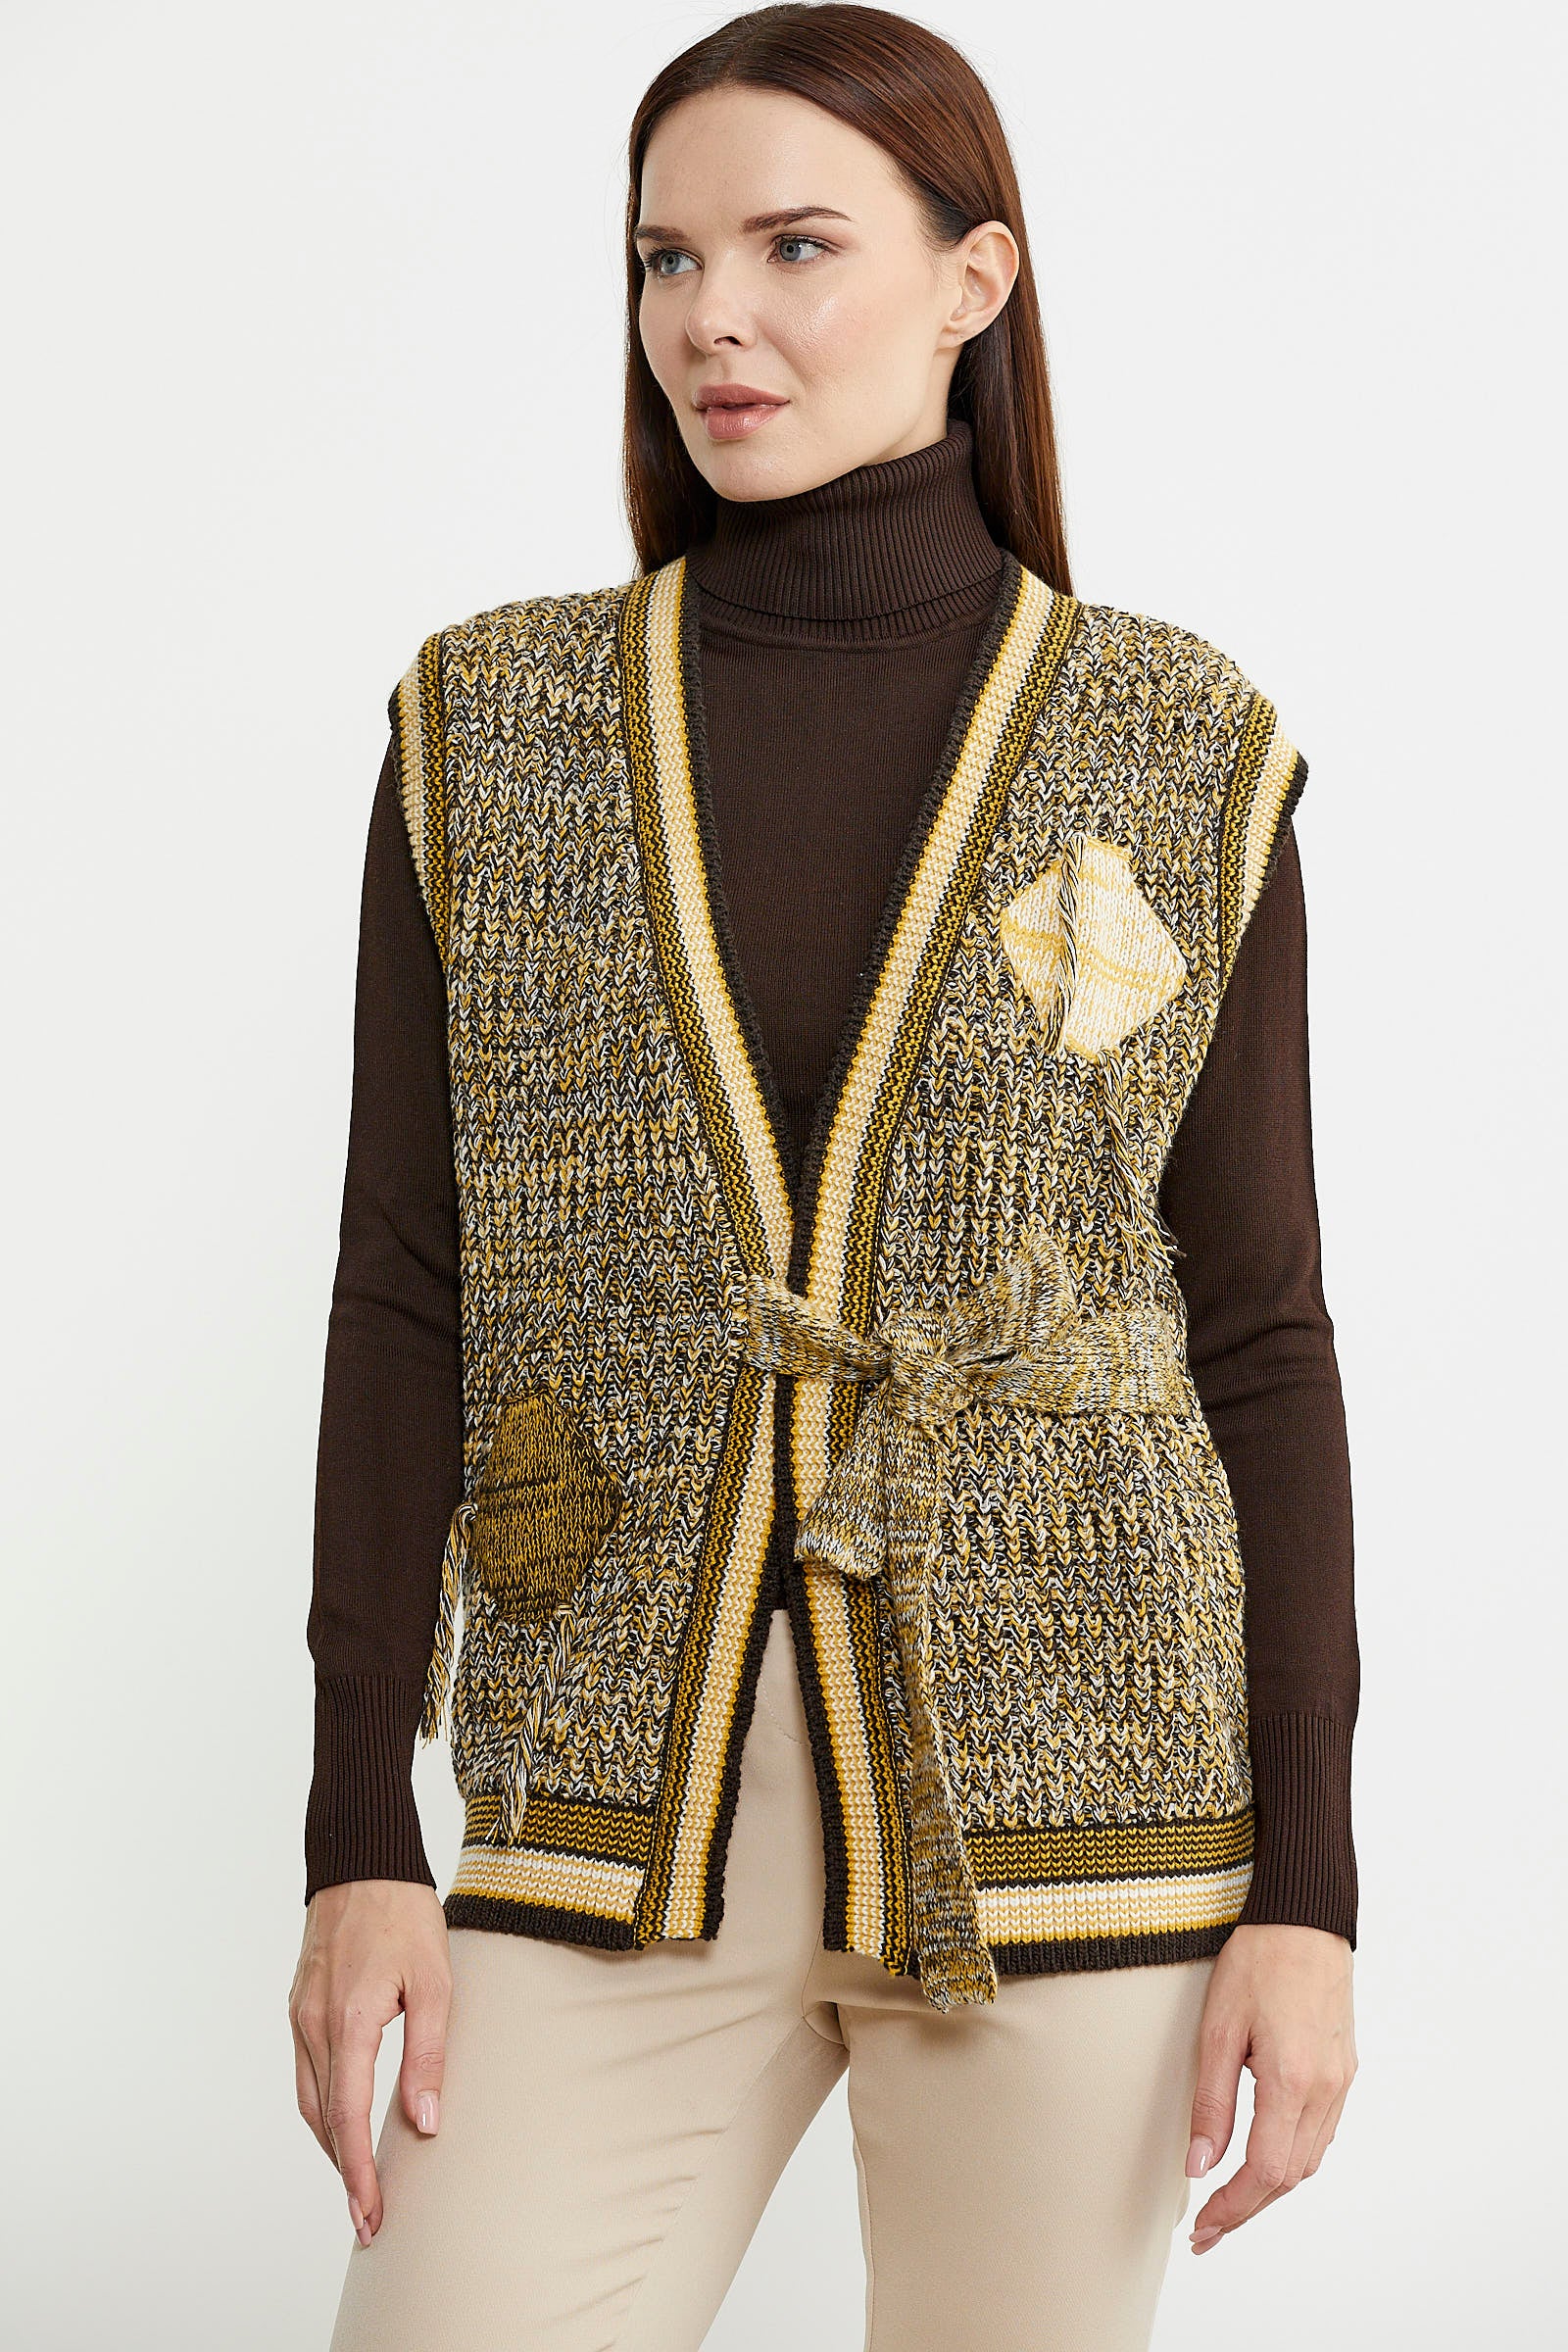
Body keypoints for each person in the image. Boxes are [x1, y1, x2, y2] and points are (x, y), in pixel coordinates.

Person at [288, 7, 1360, 2345]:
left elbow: (1258, 1333)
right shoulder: (488, 727)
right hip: (603, 1798)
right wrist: (355, 1831)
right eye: (664, 258)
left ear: (975, 280)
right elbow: (405, 1286)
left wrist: (1310, 1890)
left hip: (1072, 1796)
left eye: (793, 245)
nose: (710, 317)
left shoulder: (1177, 742)